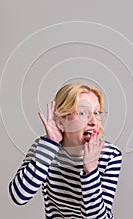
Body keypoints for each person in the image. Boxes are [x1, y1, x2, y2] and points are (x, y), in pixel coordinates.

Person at [8, 83, 122, 218]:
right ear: (61, 122)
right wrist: (50, 145)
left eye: (96, 113)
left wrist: (90, 170)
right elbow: (19, 196)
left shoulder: (110, 156)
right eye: (82, 113)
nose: (93, 121)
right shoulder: (45, 148)